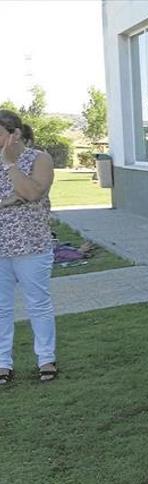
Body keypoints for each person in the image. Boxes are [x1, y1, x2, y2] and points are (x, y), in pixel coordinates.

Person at [0, 110, 58, 385]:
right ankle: (3, 362)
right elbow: (20, 195)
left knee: (38, 304)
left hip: (32, 245)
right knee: (1, 308)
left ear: (15, 134)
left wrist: (10, 165)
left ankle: (46, 358)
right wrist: (10, 200)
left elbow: (34, 193)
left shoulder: (39, 159)